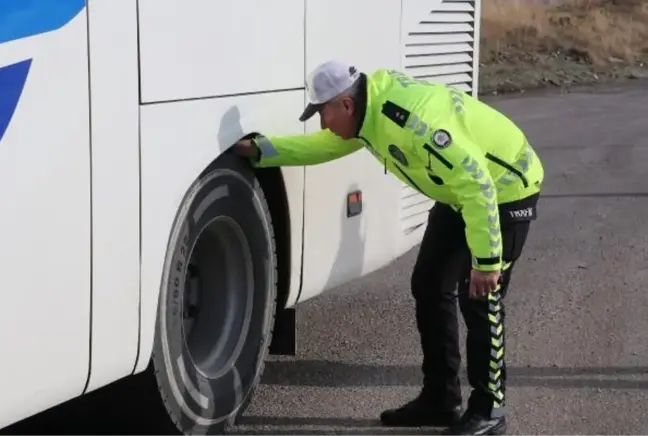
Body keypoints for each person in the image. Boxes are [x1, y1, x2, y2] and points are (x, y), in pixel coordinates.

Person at [232, 60, 544, 436]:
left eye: (323, 113)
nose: (322, 123)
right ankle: (441, 399)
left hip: (505, 189)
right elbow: (326, 145)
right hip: (459, 194)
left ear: (346, 105)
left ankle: (490, 411)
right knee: (429, 284)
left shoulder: (411, 122)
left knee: (480, 298)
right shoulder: (368, 113)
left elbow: (477, 182)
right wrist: (264, 150)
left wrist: (486, 261)